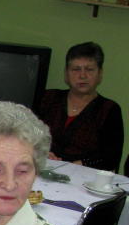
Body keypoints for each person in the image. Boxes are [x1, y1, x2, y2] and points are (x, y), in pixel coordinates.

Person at [36, 41, 123, 171]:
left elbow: (111, 158)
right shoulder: (47, 98)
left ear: (100, 74)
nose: (82, 76)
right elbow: (23, 134)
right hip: (41, 167)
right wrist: (40, 152)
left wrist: (77, 165)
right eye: (76, 69)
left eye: (89, 69)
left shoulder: (109, 109)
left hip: (84, 175)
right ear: (66, 74)